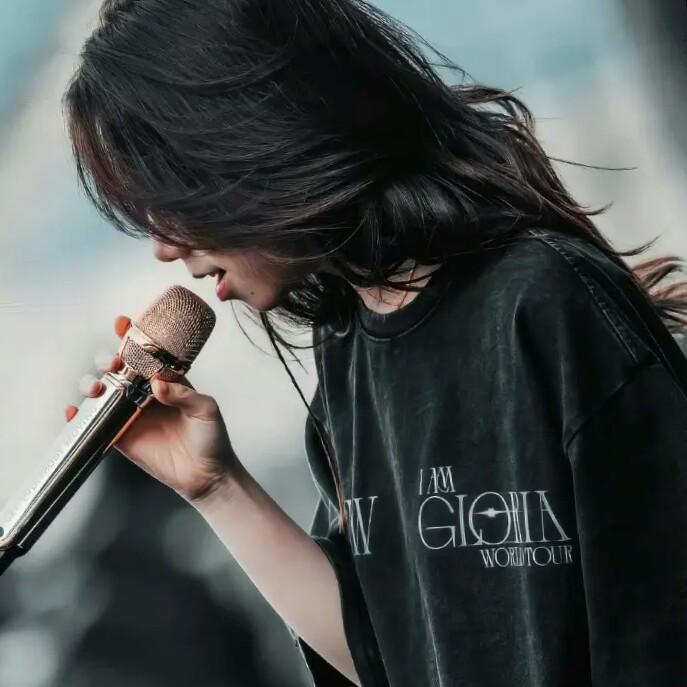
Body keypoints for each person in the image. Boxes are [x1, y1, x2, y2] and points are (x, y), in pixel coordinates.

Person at [62, 1, 687, 685]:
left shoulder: (541, 300)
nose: (163, 246)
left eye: (170, 192)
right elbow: (384, 657)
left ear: (251, 136)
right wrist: (215, 487)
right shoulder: (346, 346)